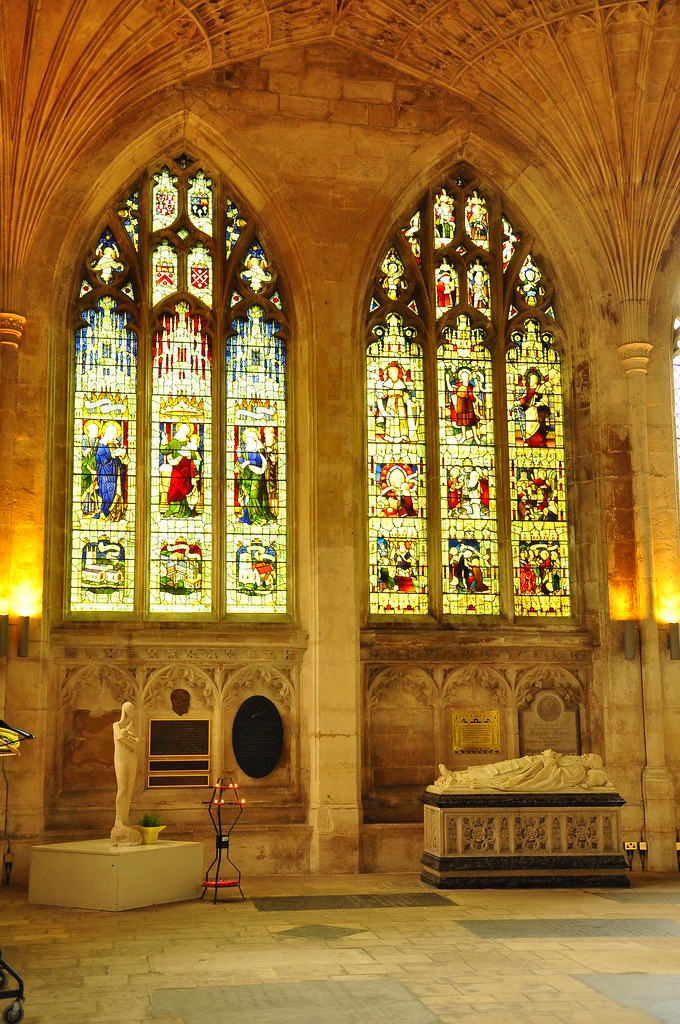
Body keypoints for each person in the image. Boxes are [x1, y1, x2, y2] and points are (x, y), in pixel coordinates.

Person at [432, 749, 613, 793]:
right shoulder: (574, 761)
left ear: (591, 765)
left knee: (497, 775)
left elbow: (554, 778)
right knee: (495, 768)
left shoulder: (579, 771)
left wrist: (550, 757)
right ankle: (456, 775)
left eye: (590, 757)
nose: (586, 755)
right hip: (529, 764)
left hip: (530, 774)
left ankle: (458, 780)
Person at [111, 702, 141, 846]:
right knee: (122, 788)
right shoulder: (117, 725)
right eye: (128, 716)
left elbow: (136, 743)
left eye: (131, 717)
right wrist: (130, 739)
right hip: (121, 759)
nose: (130, 719)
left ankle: (126, 817)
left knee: (129, 789)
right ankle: (118, 819)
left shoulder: (131, 728)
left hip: (132, 758)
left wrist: (131, 738)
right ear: (124, 713)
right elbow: (121, 738)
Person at [95, 422, 128, 520]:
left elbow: (123, 462)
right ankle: (106, 511)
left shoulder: (116, 444)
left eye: (115, 434)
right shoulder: (102, 444)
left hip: (116, 473)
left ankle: (116, 512)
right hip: (106, 474)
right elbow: (101, 459)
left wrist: (123, 455)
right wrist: (114, 454)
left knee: (117, 492)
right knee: (107, 492)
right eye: (114, 433)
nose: (115, 436)